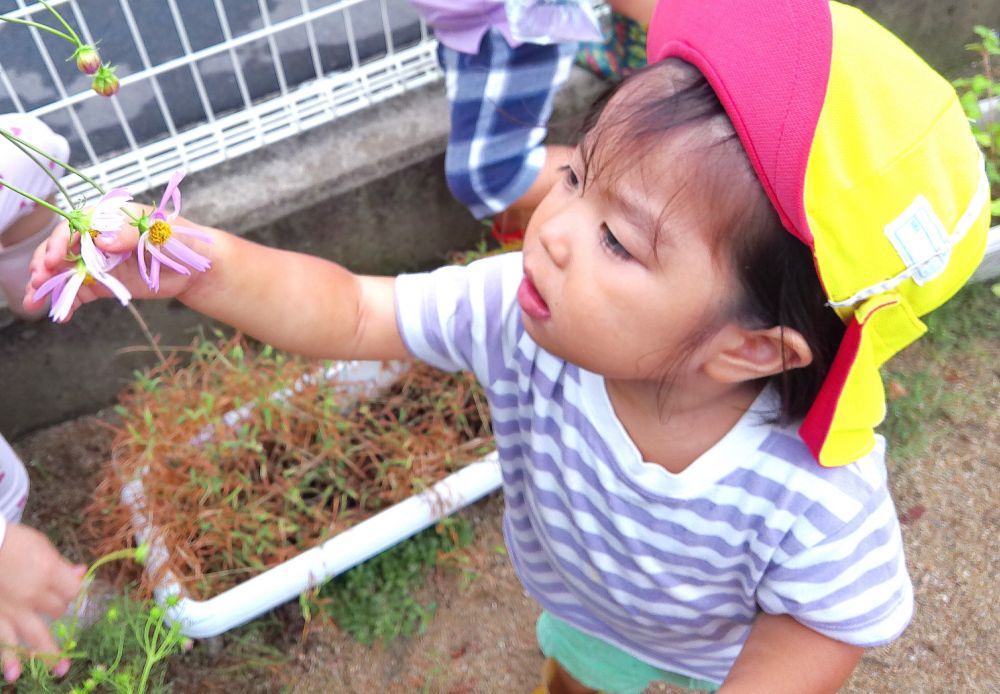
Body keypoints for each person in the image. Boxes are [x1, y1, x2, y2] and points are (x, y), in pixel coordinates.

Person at [25, 0, 991, 691]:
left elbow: (825, 626)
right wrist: (196, 265)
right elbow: (357, 310)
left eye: (620, 239)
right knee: (577, 671)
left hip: (714, 656)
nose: (555, 230)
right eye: (577, 175)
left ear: (753, 350)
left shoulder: (815, 485)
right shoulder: (521, 313)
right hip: (583, 606)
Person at [409, 0, 651, 244]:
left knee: (490, 176)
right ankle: (525, 229)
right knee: (497, 147)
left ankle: (630, 186)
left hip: (511, 31)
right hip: (471, 29)